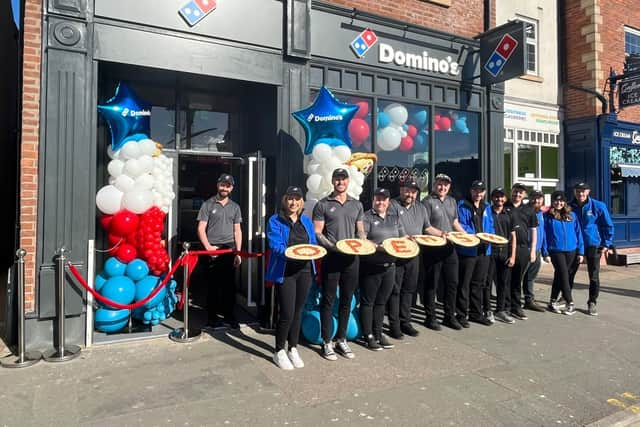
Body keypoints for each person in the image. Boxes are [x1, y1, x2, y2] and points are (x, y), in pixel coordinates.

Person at [313, 168, 366, 361]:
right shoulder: (322, 204)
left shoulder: (357, 204)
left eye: (343, 179)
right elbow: (318, 232)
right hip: (332, 258)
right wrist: (334, 247)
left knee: (346, 300)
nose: (340, 182)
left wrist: (360, 241)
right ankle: (327, 341)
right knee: (327, 301)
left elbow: (360, 230)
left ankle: (341, 339)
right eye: (337, 178)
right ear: (333, 181)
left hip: (352, 259)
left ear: (348, 181)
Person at [266, 186, 317, 370]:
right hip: (285, 271)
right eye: (290, 199)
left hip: (304, 271)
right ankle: (278, 350)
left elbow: (313, 243)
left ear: (301, 201)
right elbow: (275, 245)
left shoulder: (306, 221)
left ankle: (293, 348)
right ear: (284, 200)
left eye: (297, 199)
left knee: (298, 312)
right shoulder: (275, 220)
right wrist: (292, 253)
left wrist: (311, 251)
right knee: (286, 313)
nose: (293, 202)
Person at [421, 173, 467, 331]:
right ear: (434, 185)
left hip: (449, 248)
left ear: (449, 186)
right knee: (432, 283)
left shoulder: (452, 201)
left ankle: (449, 316)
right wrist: (441, 234)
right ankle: (430, 317)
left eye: (446, 185)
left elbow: (454, 222)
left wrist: (465, 235)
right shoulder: (427, 202)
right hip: (432, 248)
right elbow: (426, 226)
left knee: (452, 282)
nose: (443, 187)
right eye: (440, 184)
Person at [360, 188, 404, 350]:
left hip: (390, 266)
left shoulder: (394, 217)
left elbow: (402, 237)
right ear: (373, 200)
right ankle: (368, 335)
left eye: (384, 199)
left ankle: (378, 333)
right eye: (378, 199)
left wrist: (408, 243)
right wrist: (379, 247)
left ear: (388, 201)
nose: (381, 202)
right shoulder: (366, 216)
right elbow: (362, 238)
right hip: (372, 266)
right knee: (368, 302)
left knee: (381, 302)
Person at [197, 173, 243, 329]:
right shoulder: (208, 204)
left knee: (229, 286)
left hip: (229, 250)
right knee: (213, 287)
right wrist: (208, 247)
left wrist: (238, 252)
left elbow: (237, 230)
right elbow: (201, 229)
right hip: (213, 249)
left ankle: (229, 316)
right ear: (218, 185)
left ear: (232, 188)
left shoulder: (235, 207)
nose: (225, 188)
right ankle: (212, 318)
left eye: (228, 185)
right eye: (222, 185)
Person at [387, 180, 429, 338]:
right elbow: (395, 226)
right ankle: (394, 325)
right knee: (395, 290)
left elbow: (427, 228)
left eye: (413, 191)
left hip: (414, 254)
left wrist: (444, 235)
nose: (409, 194)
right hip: (397, 254)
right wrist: (406, 237)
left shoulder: (421, 207)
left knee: (409, 290)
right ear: (401, 190)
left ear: (417, 193)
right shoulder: (393, 205)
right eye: (406, 190)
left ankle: (405, 322)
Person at [568, 182, 614, 316]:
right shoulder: (569, 207)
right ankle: (566, 297)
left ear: (588, 191)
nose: (580, 194)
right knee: (569, 273)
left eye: (583, 191)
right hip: (575, 245)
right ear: (574, 192)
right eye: (578, 191)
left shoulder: (598, 206)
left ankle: (592, 302)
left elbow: (608, 225)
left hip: (593, 244)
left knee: (593, 276)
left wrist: (606, 243)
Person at [456, 180, 494, 326]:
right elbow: (461, 225)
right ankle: (461, 314)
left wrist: (489, 237)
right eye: (476, 191)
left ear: (484, 193)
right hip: (468, 250)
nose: (478, 194)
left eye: (481, 191)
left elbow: (490, 225)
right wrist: (475, 235)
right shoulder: (462, 205)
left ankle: (476, 313)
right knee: (464, 284)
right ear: (471, 191)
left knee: (478, 283)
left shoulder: (487, 207)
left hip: (484, 250)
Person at [542, 191, 585, 315]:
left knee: (559, 276)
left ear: (565, 202)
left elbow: (578, 233)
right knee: (564, 275)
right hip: (556, 251)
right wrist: (545, 253)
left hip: (571, 250)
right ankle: (569, 302)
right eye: (556, 200)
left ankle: (552, 301)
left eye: (561, 201)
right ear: (552, 201)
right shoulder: (547, 216)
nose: (559, 203)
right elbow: (544, 235)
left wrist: (581, 252)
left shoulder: (572, 215)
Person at [504, 183, 538, 321]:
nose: (517, 194)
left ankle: (516, 307)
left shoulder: (529, 210)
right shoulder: (504, 207)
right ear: (511, 191)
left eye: (520, 193)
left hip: (523, 249)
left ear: (524, 195)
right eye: (515, 191)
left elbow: (534, 230)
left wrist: (533, 250)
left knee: (517, 279)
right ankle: (505, 307)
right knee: (506, 279)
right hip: (506, 247)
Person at [488, 187, 517, 324]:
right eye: (496, 196)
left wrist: (513, 256)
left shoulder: (509, 213)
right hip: (491, 251)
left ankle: (500, 310)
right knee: (487, 283)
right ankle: (487, 310)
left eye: (502, 197)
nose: (499, 199)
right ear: (492, 198)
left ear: (505, 199)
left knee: (503, 283)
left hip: (505, 252)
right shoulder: (487, 212)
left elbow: (513, 236)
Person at [521, 190, 547, 312]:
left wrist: (544, 251)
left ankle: (529, 300)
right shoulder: (524, 211)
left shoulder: (541, 213)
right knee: (519, 277)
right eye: (534, 198)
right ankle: (509, 301)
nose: (537, 201)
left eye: (539, 198)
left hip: (537, 251)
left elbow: (543, 233)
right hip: (526, 250)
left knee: (531, 277)